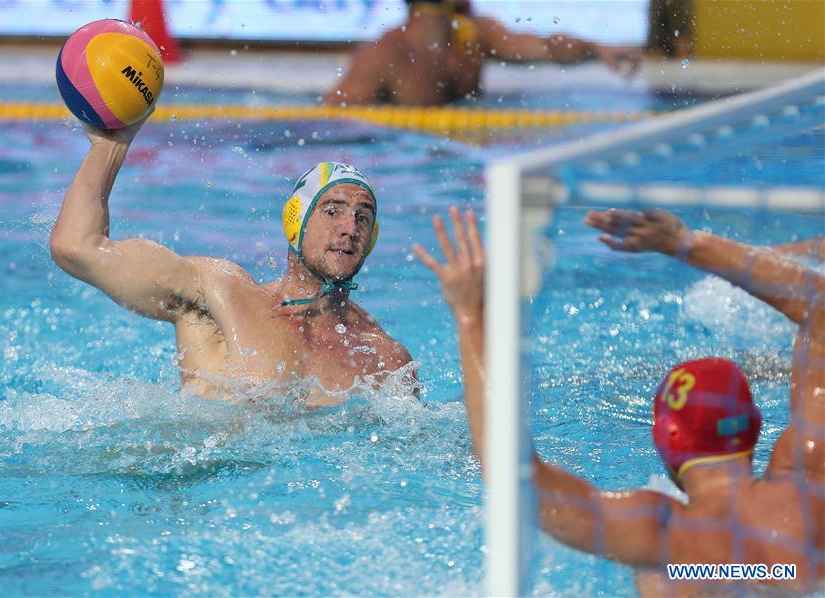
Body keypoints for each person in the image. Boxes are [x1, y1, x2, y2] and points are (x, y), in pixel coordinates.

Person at [414, 206, 823, 594]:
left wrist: (469, 316)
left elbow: (514, 477)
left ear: (667, 437)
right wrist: (683, 241)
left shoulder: (663, 537)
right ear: (754, 425)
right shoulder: (808, 491)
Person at [50, 117, 414, 405]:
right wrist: (111, 145)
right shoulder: (221, 295)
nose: (349, 228)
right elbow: (77, 246)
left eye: (363, 217)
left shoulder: (387, 361)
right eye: (332, 210)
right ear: (295, 222)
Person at [324, 0, 641, 106]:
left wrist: (596, 48)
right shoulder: (385, 54)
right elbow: (335, 121)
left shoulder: (475, 34)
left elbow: (546, 47)